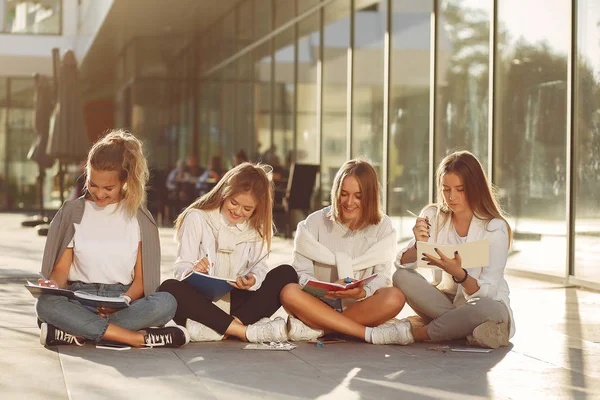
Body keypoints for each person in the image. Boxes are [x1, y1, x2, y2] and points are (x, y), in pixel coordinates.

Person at [36, 130, 189, 348]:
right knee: (46, 305)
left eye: (108, 188)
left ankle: (78, 332)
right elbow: (61, 271)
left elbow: (141, 281)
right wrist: (51, 283)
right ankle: (135, 338)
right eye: (93, 184)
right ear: (86, 174)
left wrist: (122, 300)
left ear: (124, 180)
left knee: (166, 303)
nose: (99, 194)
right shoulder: (73, 212)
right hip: (81, 299)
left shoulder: (138, 218)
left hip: (122, 300)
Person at [158, 162, 298, 343]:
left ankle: (222, 328)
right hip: (203, 302)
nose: (238, 211)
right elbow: (182, 266)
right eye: (234, 203)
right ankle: (244, 331)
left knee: (286, 273)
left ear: (257, 208)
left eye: (247, 209)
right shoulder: (197, 218)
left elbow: (260, 267)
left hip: (239, 301)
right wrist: (193, 270)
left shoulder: (259, 228)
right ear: (224, 193)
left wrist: (253, 279)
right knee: (169, 287)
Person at [393, 150, 515, 349]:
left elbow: (488, 292)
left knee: (484, 309)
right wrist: (417, 244)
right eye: (446, 189)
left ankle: (417, 333)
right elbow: (404, 265)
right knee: (401, 277)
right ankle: (466, 330)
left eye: (460, 189)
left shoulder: (494, 228)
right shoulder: (433, 216)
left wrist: (460, 275)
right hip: (445, 302)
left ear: (475, 188)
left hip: (483, 304)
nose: (452, 197)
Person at [279, 159, 409, 345]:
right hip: (318, 302)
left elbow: (383, 277)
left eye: (358, 196)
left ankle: (320, 329)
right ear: (336, 193)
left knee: (395, 297)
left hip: (360, 305)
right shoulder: (314, 223)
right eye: (344, 194)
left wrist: (361, 292)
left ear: (370, 196)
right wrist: (326, 290)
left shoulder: (383, 227)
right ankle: (364, 333)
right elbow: (301, 273)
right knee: (289, 292)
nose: (349, 202)